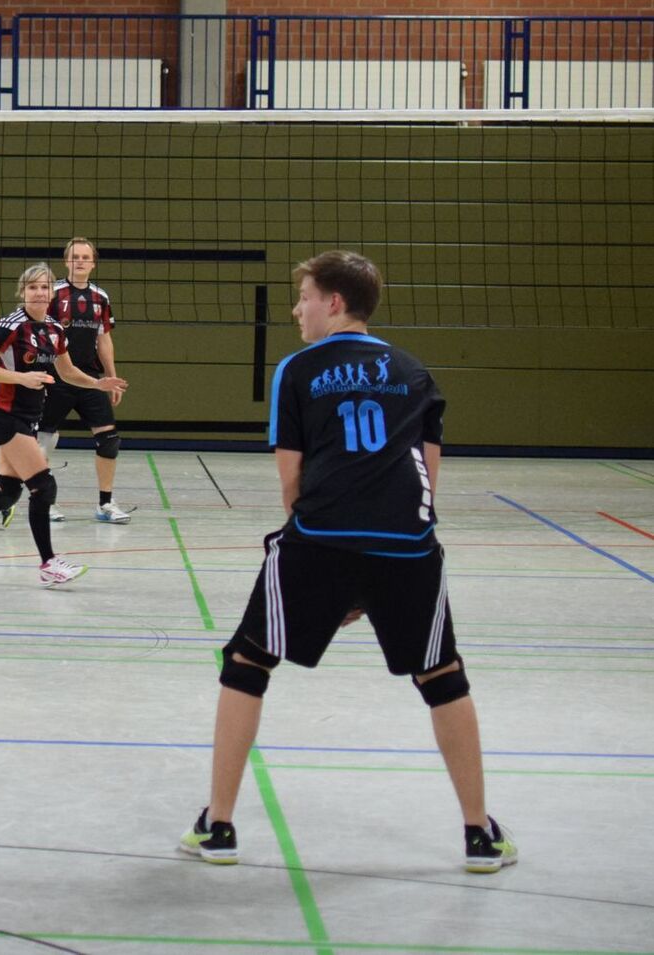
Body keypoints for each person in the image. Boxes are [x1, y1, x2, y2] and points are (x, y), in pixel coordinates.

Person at [178, 251, 517, 873]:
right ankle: (479, 835)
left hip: (321, 539)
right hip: (408, 546)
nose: (295, 309)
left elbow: (292, 480)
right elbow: (428, 479)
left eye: (304, 296)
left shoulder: (297, 369)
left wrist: (330, 575)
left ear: (333, 302)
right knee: (442, 675)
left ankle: (218, 825)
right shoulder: (415, 372)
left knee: (247, 661)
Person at [0, 264, 128, 587]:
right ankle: (48, 563)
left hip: (30, 415)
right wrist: (21, 377)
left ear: (52, 294)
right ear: (23, 292)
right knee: (43, 486)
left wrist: (98, 383)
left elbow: (69, 371)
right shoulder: (10, 326)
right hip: (6, 414)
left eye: (45, 288)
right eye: (32, 288)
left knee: (7, 491)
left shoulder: (53, 328)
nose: (39, 293)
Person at [37, 238, 130, 524]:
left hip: (90, 380)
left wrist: (111, 375)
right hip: (56, 379)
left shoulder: (100, 297)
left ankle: (105, 504)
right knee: (43, 441)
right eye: (74, 256)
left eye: (85, 257)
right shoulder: (52, 293)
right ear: (66, 261)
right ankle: (44, 501)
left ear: (93, 262)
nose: (79, 261)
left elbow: (104, 339)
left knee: (109, 441)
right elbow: (39, 334)